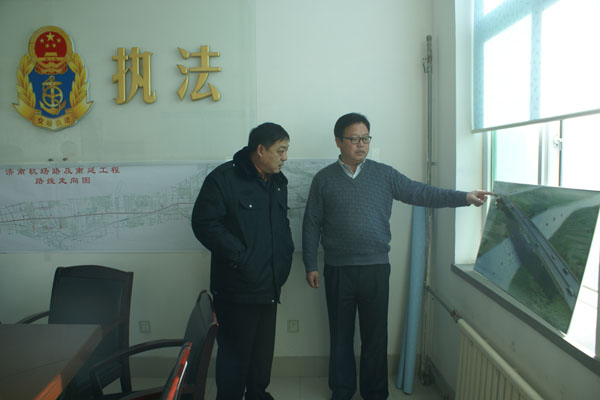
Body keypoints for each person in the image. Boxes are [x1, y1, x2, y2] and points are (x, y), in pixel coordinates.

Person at [302, 112, 491, 400]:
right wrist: (310, 264)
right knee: (340, 335)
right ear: (338, 141)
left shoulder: (384, 175)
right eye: (354, 139)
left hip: (376, 268)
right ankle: (342, 390)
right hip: (338, 269)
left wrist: (463, 197)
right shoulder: (323, 179)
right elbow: (311, 222)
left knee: (375, 336)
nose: (361, 145)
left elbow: (422, 193)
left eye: (365, 138)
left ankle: (375, 393)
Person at [191, 122, 294, 400]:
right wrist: (242, 257)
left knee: (262, 354)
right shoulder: (224, 179)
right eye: (280, 150)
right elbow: (204, 223)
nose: (285, 157)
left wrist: (285, 255)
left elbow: (281, 225)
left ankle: (258, 395)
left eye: (286, 150)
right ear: (260, 150)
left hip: (269, 283)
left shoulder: (277, 182)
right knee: (235, 356)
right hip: (237, 286)